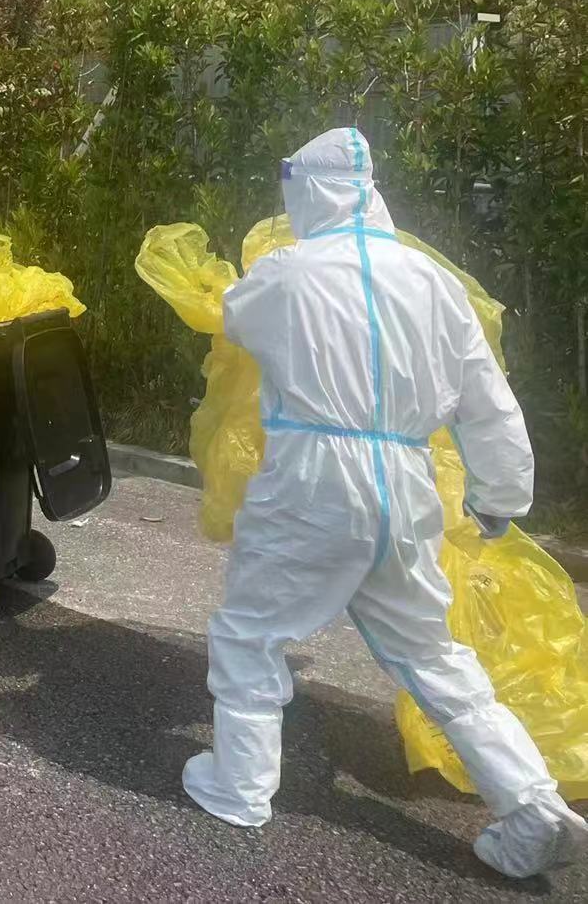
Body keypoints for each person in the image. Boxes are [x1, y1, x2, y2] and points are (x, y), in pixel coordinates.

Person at [183, 128, 587, 879]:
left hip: (311, 479)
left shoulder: (286, 273)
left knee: (250, 634)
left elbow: (234, 317)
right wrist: (500, 493)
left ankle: (240, 786)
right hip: (405, 482)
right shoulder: (433, 282)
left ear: (310, 193)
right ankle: (529, 803)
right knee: (432, 653)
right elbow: (486, 399)